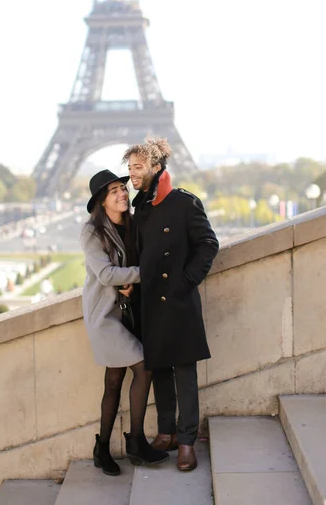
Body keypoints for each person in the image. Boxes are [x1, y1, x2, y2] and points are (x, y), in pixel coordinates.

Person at [123, 138, 219, 472]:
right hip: (151, 302)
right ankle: (166, 431)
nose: (132, 174)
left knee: (185, 373)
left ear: (155, 167)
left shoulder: (183, 202)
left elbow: (208, 243)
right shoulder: (142, 207)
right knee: (160, 368)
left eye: (138, 167)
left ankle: (187, 441)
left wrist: (185, 281)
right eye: (130, 167)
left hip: (178, 301)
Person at [80, 169, 168, 476]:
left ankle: (102, 448)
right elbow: (105, 275)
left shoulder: (131, 225)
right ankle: (135, 443)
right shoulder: (92, 232)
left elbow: (128, 264)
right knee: (143, 366)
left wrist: (128, 281)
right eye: (114, 190)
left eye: (122, 188)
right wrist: (140, 275)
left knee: (115, 380)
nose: (122, 193)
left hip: (126, 313)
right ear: (102, 201)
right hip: (104, 317)